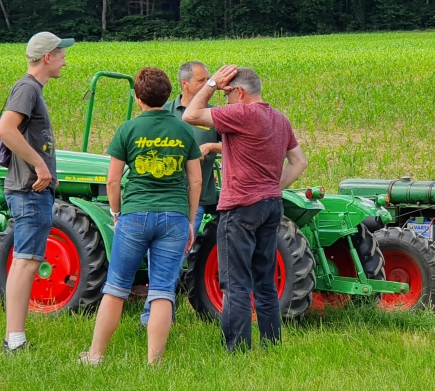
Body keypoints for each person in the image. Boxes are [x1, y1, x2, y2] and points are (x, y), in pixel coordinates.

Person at [183, 65, 308, 351]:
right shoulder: (279, 119)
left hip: (240, 208)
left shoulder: (241, 113)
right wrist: (274, 187)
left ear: (239, 92)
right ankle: (271, 344)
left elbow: (191, 114)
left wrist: (213, 82)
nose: (224, 101)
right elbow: (299, 161)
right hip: (271, 206)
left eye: (228, 95)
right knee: (264, 280)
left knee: (235, 283)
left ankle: (237, 349)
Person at [83, 67, 201, 365]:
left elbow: (112, 181)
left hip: (135, 215)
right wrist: (188, 220)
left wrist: (115, 213)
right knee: (162, 290)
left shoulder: (128, 129)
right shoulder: (183, 129)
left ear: (138, 98)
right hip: (173, 216)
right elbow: (196, 181)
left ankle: (95, 356)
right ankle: (154, 363)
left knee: (116, 287)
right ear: (167, 95)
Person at [0, 31, 73, 354]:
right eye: (61, 54)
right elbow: (5, 129)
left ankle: (15, 338)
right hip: (29, 190)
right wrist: (40, 166)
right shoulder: (27, 88)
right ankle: (14, 341)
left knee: (26, 260)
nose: (64, 60)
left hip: (31, 191)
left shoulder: (31, 90)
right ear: (47, 58)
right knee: (26, 262)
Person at [138, 60, 221, 326]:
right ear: (184, 84)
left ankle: (154, 318)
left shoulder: (213, 115)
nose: (210, 86)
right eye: (202, 81)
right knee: (161, 260)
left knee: (174, 258)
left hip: (195, 201)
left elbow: (235, 144)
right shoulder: (166, 112)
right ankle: (158, 317)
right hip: (164, 198)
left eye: (210, 80)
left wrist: (211, 147)